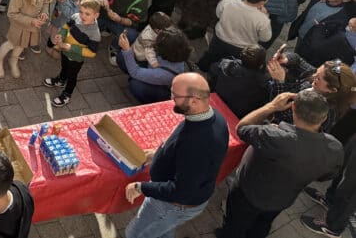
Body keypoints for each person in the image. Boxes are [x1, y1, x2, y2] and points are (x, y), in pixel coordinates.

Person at [218, 90, 342, 238]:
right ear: (324, 117)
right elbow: (326, 176)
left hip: (248, 193)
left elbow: (241, 128)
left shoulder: (274, 136)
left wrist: (272, 106)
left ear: (293, 108)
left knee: (235, 225)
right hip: (282, 200)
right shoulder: (334, 147)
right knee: (262, 224)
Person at [122, 72, 229, 238]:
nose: (171, 97)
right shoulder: (212, 116)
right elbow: (183, 151)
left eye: (175, 95)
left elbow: (181, 191)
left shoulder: (198, 143)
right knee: (163, 231)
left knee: (135, 234)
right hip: (175, 203)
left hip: (172, 204)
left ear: (194, 100)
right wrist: (159, 154)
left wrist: (141, 187)